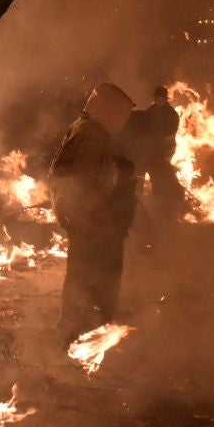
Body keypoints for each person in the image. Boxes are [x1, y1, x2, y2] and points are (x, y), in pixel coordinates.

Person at [49, 82, 139, 343]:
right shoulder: (92, 136)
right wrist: (104, 219)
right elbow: (82, 183)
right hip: (85, 215)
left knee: (84, 268)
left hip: (80, 212)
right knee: (91, 269)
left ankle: (81, 325)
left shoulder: (87, 128)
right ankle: (82, 328)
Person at [122, 84, 183, 227]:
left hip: (162, 152)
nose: (159, 101)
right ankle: (138, 204)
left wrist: (159, 138)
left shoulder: (171, 114)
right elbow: (142, 125)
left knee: (159, 178)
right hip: (147, 150)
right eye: (157, 98)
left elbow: (170, 134)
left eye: (161, 99)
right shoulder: (150, 111)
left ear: (165, 99)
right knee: (139, 175)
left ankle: (159, 208)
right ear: (155, 99)